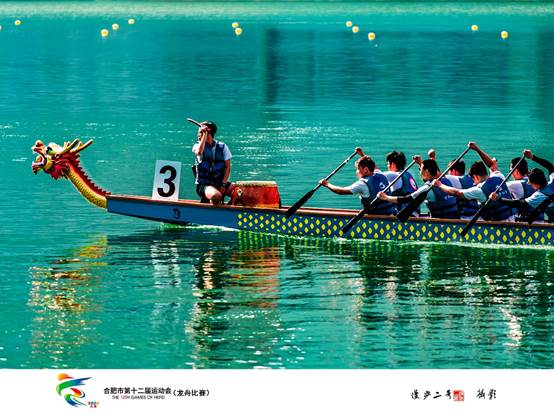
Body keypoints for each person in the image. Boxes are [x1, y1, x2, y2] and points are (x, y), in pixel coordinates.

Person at [432, 142, 515, 221]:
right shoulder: (499, 176)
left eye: (473, 180)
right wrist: (477, 149)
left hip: (496, 226)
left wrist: (440, 185)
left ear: (475, 176)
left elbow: (457, 193)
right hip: (512, 219)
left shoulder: (479, 191)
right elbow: (491, 164)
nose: (474, 183)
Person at [378, 158, 460, 219]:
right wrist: (421, 163)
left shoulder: (427, 188)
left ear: (426, 172)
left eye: (420, 170)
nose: (420, 172)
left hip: (439, 224)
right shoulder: (448, 180)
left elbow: (406, 199)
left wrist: (386, 197)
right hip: (455, 220)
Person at [319, 152, 396, 215]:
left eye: (358, 169)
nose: (357, 172)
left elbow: (340, 191)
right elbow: (373, 166)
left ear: (366, 170)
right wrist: (362, 154)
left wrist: (327, 184)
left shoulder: (362, 184)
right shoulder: (381, 174)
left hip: (376, 216)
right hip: (391, 212)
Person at [192, 121, 235, 205]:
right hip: (204, 185)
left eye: (200, 132)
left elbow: (228, 168)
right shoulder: (197, 146)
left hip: (220, 183)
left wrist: (223, 184)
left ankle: (230, 207)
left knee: (241, 192)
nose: (198, 135)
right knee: (216, 196)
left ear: (209, 133)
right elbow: (199, 152)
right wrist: (205, 134)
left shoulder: (223, 147)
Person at [432, 153, 479, 219]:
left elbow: (438, 176)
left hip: (462, 218)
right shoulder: (472, 179)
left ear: (453, 171)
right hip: (475, 216)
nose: (447, 173)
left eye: (448, 171)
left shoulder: (454, 179)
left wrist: (432, 159)